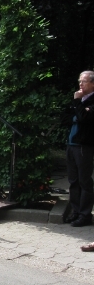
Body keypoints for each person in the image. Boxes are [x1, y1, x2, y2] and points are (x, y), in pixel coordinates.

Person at [61, 70, 94, 227]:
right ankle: (75, 211)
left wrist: (78, 105)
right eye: (80, 81)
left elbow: (83, 118)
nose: (80, 84)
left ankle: (85, 215)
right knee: (73, 181)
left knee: (84, 181)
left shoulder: (88, 101)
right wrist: (78, 110)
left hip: (83, 146)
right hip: (71, 144)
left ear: (93, 84)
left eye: (84, 81)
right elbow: (68, 118)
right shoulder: (78, 101)